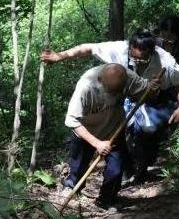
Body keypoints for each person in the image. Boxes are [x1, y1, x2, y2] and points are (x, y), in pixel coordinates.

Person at [41, 30, 179, 182]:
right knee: (113, 132)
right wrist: (60, 56)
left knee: (147, 130)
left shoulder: (164, 59)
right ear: (129, 48)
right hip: (119, 99)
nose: (137, 62)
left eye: (142, 60)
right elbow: (88, 48)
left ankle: (139, 169)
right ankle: (123, 171)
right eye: (134, 58)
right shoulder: (118, 50)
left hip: (149, 97)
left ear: (151, 53)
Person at [62, 63, 151, 209]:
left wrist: (153, 88)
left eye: (117, 91)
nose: (114, 95)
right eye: (110, 91)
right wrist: (97, 143)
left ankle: (106, 199)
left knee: (116, 169)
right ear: (100, 80)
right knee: (78, 167)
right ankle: (71, 190)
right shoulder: (85, 86)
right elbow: (72, 120)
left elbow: (148, 89)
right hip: (86, 131)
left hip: (114, 130)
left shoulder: (128, 77)